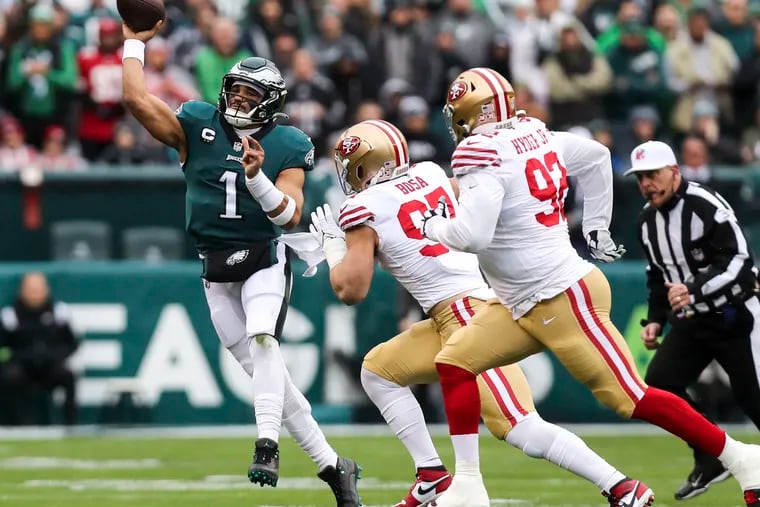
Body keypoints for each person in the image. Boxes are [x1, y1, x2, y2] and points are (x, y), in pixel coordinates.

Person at [417, 67, 760, 507]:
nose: (457, 121)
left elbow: (472, 236)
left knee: (630, 397)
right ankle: (467, 483)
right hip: (521, 299)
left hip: (561, 294)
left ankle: (741, 456)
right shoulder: (535, 134)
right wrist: (595, 228)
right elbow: (598, 157)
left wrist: (433, 226)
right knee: (455, 363)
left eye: (461, 112)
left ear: (475, 112)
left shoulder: (480, 152)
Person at [308, 119, 653, 507]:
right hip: (447, 314)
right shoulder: (431, 174)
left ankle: (621, 485)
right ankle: (432, 476)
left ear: (361, 167)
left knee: (519, 425)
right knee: (378, 371)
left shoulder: (361, 208)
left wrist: (334, 249)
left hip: (470, 313)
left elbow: (351, 289)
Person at [119, 21, 360, 506]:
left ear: (270, 102)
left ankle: (266, 445)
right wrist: (133, 43)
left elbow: (290, 212)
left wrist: (257, 179)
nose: (241, 100)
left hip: (263, 257)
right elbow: (137, 102)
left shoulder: (288, 143)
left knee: (265, 339)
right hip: (214, 267)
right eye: (237, 90)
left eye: (252, 95)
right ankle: (336, 468)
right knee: (276, 383)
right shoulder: (197, 124)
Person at [626, 140, 760, 501]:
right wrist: (656, 319)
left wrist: (693, 288)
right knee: (660, 385)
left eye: (653, 175)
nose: (647, 184)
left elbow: (739, 261)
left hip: (737, 313)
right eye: (641, 178)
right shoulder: (646, 221)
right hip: (694, 319)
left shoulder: (705, 205)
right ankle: (712, 455)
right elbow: (657, 276)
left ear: (674, 171)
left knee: (754, 397)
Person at [0, 272, 79, 425]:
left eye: (38, 289)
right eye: (30, 289)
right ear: (21, 290)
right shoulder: (9, 314)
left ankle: (71, 425)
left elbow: (72, 344)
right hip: (22, 367)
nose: (34, 294)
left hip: (50, 366)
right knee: (8, 377)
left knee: (68, 376)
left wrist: (55, 356)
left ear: (46, 290)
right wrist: (13, 358)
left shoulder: (59, 312)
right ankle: (13, 424)